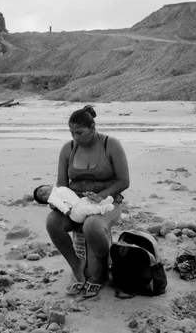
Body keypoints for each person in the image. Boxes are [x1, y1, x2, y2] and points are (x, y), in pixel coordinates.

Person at [45, 105, 129, 298]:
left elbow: (124, 181)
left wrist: (101, 196)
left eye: (80, 133)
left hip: (107, 202)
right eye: (72, 133)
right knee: (52, 222)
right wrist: (58, 202)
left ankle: (99, 271)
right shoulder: (68, 148)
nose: (75, 138)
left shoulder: (111, 145)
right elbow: (61, 185)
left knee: (91, 226)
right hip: (75, 204)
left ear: (92, 128)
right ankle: (76, 265)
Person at [37, 184, 115, 223]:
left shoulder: (59, 188)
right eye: (41, 198)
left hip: (78, 202)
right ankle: (101, 209)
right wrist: (66, 210)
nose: (42, 194)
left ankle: (102, 203)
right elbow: (59, 204)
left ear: (48, 185)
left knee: (87, 200)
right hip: (74, 213)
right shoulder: (52, 198)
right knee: (85, 209)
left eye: (41, 190)